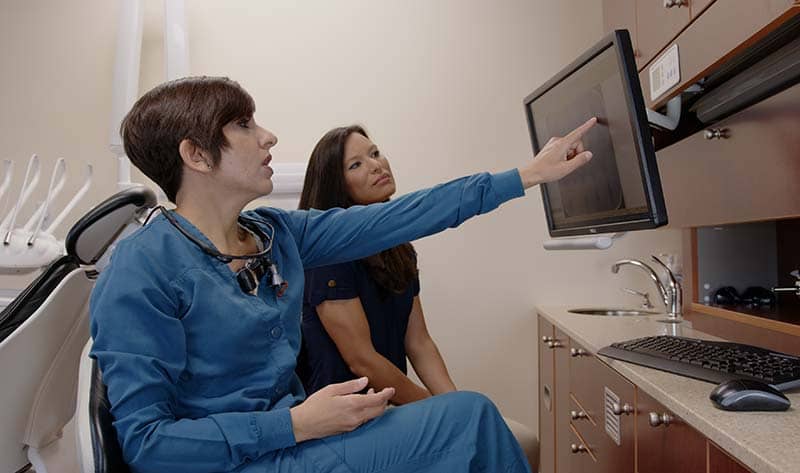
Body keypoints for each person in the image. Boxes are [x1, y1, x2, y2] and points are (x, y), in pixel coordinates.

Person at [89, 76, 595, 473]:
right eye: (243, 125)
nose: (268, 136)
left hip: (298, 442)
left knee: (469, 415)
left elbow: (405, 215)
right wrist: (292, 425)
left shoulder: (275, 234)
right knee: (470, 418)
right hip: (245, 460)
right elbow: (147, 446)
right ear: (196, 155)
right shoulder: (141, 271)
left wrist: (526, 176)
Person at [296, 125, 539, 467]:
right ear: (337, 187)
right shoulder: (328, 259)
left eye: (375, 153)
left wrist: (453, 403)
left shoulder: (399, 250)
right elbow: (361, 359)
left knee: (480, 417)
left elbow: (420, 342)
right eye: (356, 165)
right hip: (343, 422)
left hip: (386, 408)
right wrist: (435, 409)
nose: (376, 165)